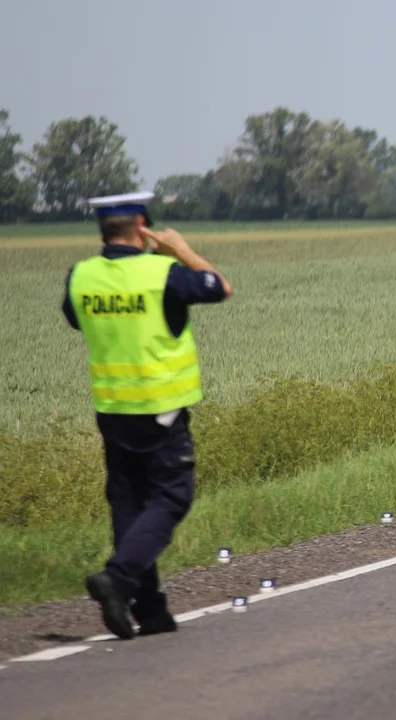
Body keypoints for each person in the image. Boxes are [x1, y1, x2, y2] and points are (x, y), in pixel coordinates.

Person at [62, 192, 233, 639]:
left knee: (129, 504)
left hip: (113, 409)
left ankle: (151, 610)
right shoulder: (164, 273)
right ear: (142, 226)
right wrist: (181, 250)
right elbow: (220, 287)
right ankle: (117, 580)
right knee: (172, 497)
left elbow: (75, 319)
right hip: (160, 407)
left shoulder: (81, 276)